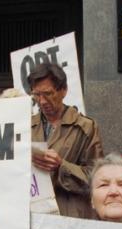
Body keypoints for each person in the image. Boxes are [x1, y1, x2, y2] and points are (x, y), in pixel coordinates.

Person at [29, 63, 103, 218]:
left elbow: (97, 178)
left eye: (48, 93)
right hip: (34, 214)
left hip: (70, 215)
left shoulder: (85, 127)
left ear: (64, 90)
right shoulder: (25, 126)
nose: (42, 101)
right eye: (36, 95)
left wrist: (61, 166)